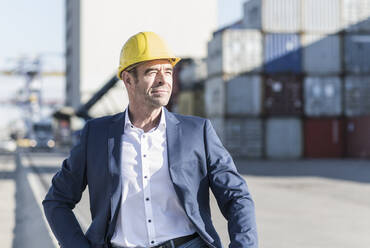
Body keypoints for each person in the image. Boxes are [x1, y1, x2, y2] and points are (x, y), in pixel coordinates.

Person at [43, 31, 258, 248]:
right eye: (152, 72)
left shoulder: (198, 132)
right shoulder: (96, 136)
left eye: (168, 71)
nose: (163, 79)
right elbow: (57, 200)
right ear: (128, 80)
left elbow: (237, 197)